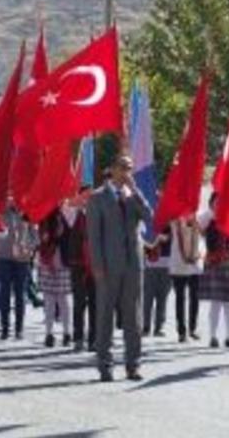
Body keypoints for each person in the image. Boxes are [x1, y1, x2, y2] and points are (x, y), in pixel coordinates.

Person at [86, 155, 152, 382]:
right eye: (123, 168)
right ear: (112, 170)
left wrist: (136, 193)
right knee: (105, 316)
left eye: (130, 168)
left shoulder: (132, 196)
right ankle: (105, 365)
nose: (127, 172)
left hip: (134, 265)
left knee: (134, 318)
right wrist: (97, 266)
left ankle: (133, 365)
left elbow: (149, 216)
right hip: (108, 266)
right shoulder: (97, 198)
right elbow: (94, 237)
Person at [198, 194, 229, 349]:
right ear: (211, 203)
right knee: (216, 303)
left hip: (228, 261)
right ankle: (213, 337)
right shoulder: (207, 218)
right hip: (213, 261)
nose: (218, 204)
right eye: (216, 202)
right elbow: (196, 228)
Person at [0, 200, 38, 341]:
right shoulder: (0, 213)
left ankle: (19, 329)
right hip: (3, 257)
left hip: (22, 259)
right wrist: (2, 211)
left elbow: (36, 238)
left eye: (14, 195)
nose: (12, 199)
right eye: (9, 195)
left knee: (20, 294)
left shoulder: (27, 213)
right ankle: (5, 328)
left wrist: (28, 246)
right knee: (4, 293)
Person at [60, 188, 97, 351]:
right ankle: (78, 338)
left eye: (91, 196)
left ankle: (94, 339)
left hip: (96, 266)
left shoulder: (98, 214)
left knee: (96, 304)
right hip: (79, 265)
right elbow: (63, 205)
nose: (89, 198)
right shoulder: (74, 214)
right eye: (86, 195)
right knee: (79, 303)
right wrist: (76, 200)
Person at [38, 209, 73, 348]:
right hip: (49, 260)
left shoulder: (66, 214)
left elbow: (67, 234)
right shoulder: (45, 217)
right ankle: (50, 333)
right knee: (51, 300)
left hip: (61, 261)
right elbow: (42, 238)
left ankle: (65, 333)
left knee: (62, 300)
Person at [169, 213, 204, 343]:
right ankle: (182, 331)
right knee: (180, 297)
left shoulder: (199, 215)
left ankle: (193, 328)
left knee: (194, 297)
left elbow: (203, 233)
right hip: (179, 262)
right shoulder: (175, 217)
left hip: (195, 261)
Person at [142, 227, 170, 338]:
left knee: (162, 298)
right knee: (147, 298)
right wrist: (153, 241)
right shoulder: (148, 219)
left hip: (166, 264)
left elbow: (174, 238)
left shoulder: (169, 222)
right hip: (150, 264)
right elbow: (142, 237)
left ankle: (159, 327)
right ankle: (146, 326)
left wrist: (166, 238)